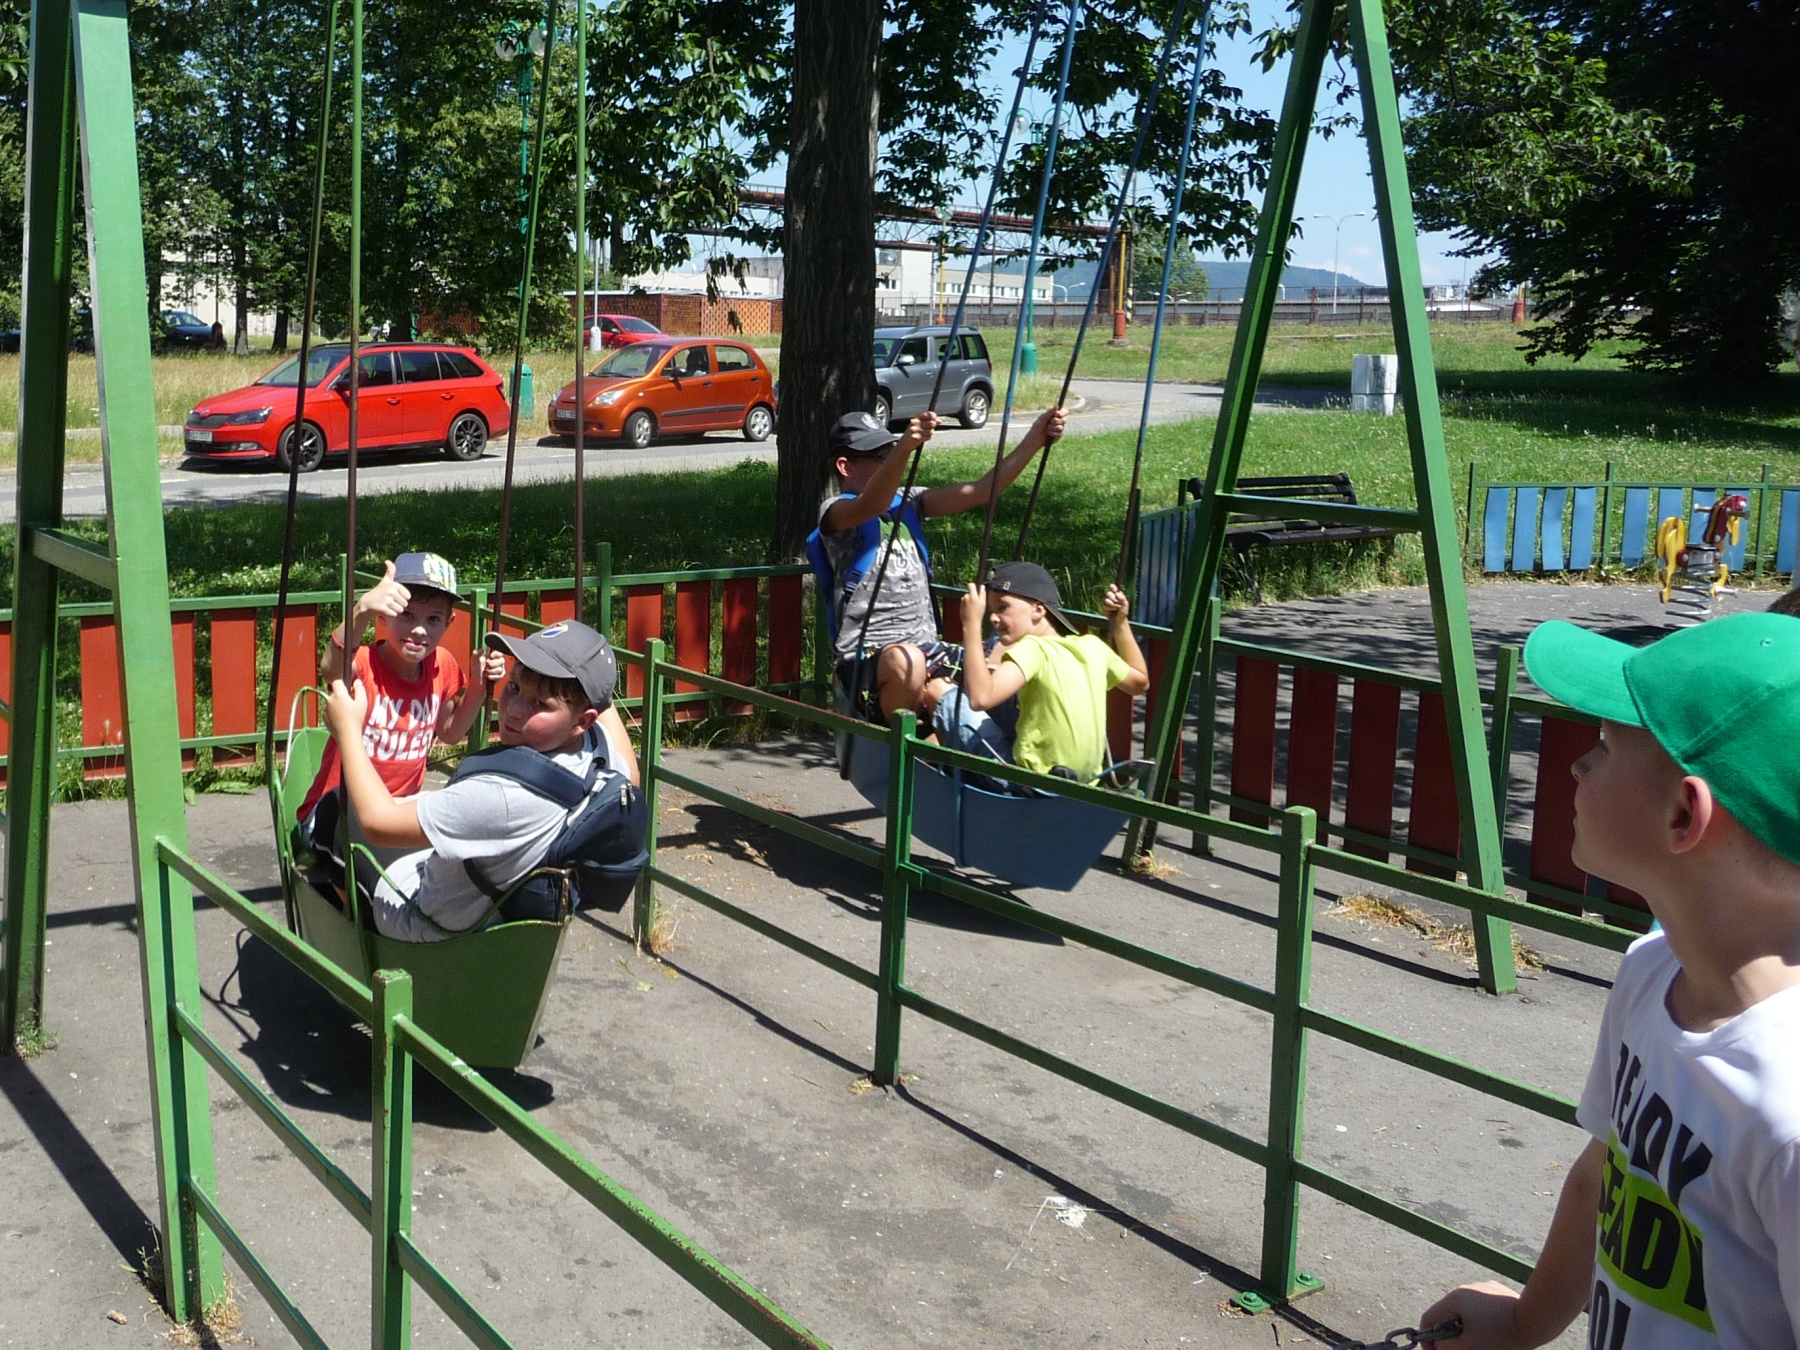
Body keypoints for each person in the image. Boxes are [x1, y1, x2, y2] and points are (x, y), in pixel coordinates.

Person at [1420, 612, 1800, 1350]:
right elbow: (1603, 1176)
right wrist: (1523, 1323)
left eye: (1602, 745)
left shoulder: (1787, 1115)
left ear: (1684, 813)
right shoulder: (1652, 972)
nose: (1577, 766)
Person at [322, 619, 642, 941]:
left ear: (582, 721)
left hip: (431, 920)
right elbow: (632, 770)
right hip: (494, 906)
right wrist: (590, 673)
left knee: (333, 812)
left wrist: (349, 730)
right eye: (514, 686)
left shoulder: (503, 796)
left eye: (540, 704)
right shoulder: (600, 752)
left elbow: (377, 823)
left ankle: (361, 941)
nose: (514, 710)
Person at [809, 403, 1068, 723]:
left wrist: (1036, 438)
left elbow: (983, 490)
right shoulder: (835, 511)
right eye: (880, 458)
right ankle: (902, 741)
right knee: (908, 661)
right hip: (868, 660)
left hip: (928, 650)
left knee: (1014, 651)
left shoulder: (910, 502)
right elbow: (871, 505)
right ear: (845, 466)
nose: (890, 462)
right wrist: (905, 448)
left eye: (889, 453)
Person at [295, 552, 492, 877]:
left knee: (460, 856)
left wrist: (478, 689)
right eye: (407, 615)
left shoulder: (441, 664)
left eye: (433, 619)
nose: (419, 630)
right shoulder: (364, 664)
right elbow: (331, 668)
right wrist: (360, 611)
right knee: (390, 872)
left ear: (449, 623)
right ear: (384, 616)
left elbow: (450, 731)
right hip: (337, 811)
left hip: (397, 812)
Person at [955, 561, 1149, 782]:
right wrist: (1121, 623)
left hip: (1035, 784)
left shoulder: (1032, 649)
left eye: (1002, 607)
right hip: (1086, 783)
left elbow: (980, 698)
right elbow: (1140, 683)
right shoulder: (1092, 646)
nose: (993, 617)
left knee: (946, 696)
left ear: (1038, 610)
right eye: (991, 611)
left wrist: (970, 625)